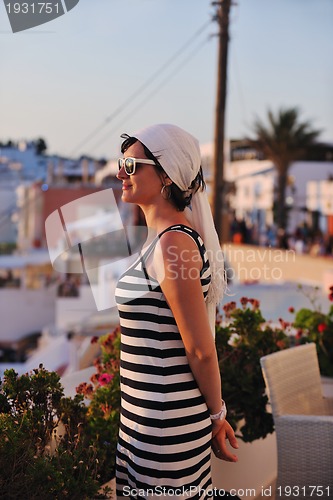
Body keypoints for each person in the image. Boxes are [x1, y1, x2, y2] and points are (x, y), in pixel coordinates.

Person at [115, 124, 238, 499]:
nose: (121, 173)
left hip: (164, 432)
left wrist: (218, 417)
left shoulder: (174, 245)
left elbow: (200, 349)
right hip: (146, 426)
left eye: (132, 165)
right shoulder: (162, 241)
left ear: (166, 176)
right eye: (121, 163)